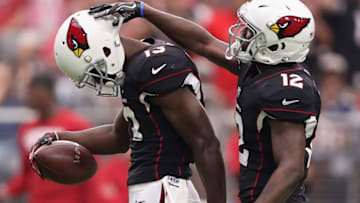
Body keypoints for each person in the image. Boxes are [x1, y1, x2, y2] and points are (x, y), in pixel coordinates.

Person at [88, 0, 322, 202]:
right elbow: (202, 42)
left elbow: (292, 169)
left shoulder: (287, 88)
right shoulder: (260, 67)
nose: (242, 35)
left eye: (252, 32)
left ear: (277, 43)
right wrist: (145, 10)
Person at [29, 10, 226, 203]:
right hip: (159, 187)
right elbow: (118, 137)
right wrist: (60, 137)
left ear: (104, 48)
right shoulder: (137, 69)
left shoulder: (152, 68)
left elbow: (206, 142)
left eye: (93, 71)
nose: (97, 81)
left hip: (162, 188)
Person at [0, 73, 98, 203]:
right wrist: (7, 190)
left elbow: (90, 170)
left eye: (32, 92)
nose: (28, 97)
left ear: (48, 93)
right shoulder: (25, 129)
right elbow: (27, 173)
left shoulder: (75, 125)